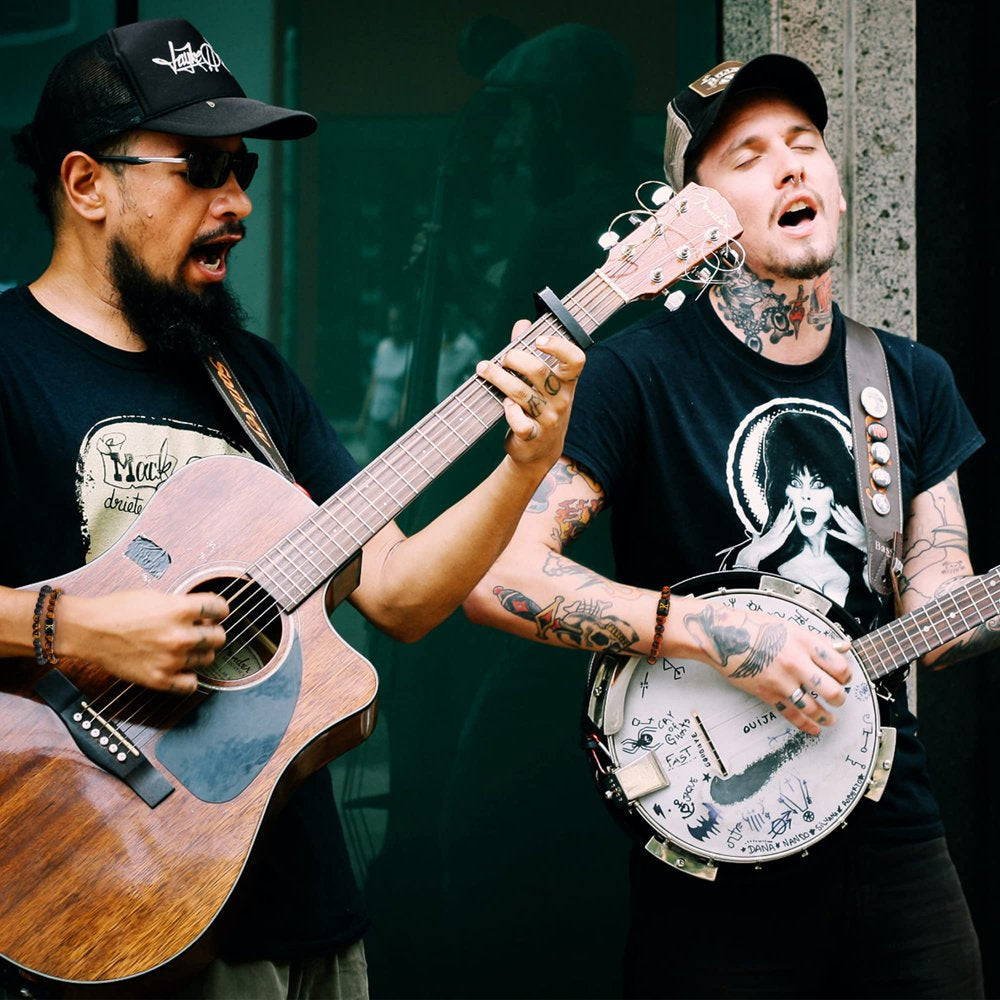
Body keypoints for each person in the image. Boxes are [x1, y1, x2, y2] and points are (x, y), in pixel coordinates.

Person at [0, 17, 584, 1000]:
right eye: (200, 169)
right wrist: (80, 629)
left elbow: (396, 591)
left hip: (299, 907)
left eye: (244, 172)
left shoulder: (246, 375)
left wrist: (525, 463)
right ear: (86, 183)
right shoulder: (7, 359)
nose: (236, 203)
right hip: (102, 892)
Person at [465, 55, 986, 998]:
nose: (791, 168)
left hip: (892, 830)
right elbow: (501, 574)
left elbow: (942, 591)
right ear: (689, 219)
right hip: (712, 839)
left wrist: (959, 607)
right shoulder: (635, 375)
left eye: (805, 146)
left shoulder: (909, 379)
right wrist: (715, 634)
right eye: (747, 156)